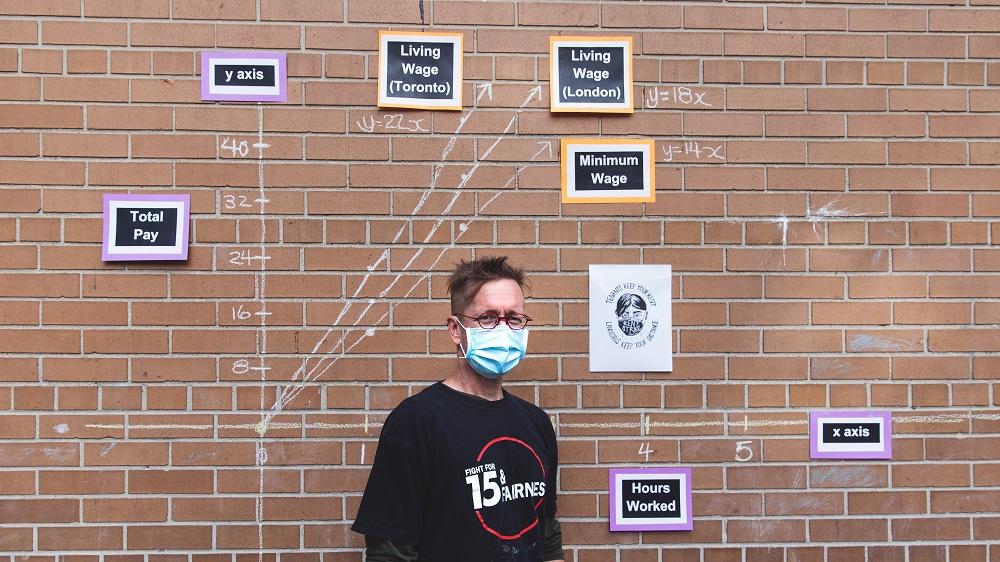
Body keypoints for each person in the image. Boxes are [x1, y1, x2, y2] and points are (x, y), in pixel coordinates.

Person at [352, 256, 563, 562]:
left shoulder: (536, 423)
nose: (503, 330)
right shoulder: (417, 421)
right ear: (456, 329)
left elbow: (547, 536)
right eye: (488, 318)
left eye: (514, 318)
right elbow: (390, 551)